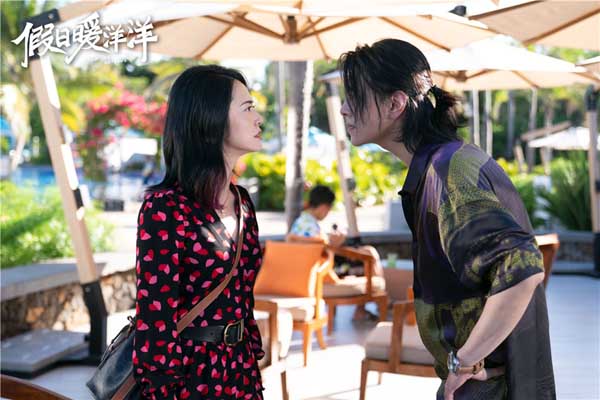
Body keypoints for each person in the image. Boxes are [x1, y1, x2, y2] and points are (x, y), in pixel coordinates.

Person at [338, 39, 555, 400]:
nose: (344, 109)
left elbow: (522, 267)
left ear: (395, 104)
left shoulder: (449, 173)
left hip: (488, 386)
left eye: (353, 96)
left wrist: (465, 363)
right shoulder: (444, 163)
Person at [133, 65, 265, 399]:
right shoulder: (165, 208)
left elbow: (242, 297)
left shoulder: (243, 203)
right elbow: (155, 316)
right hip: (190, 378)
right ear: (211, 118)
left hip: (241, 370)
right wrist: (162, 388)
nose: (259, 119)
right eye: (248, 108)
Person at [286, 184, 385, 321]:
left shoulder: (299, 224)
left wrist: (330, 244)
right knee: (369, 255)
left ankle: (364, 308)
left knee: (365, 255)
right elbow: (321, 254)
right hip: (317, 278)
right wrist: (334, 244)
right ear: (323, 207)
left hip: (302, 276)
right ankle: (376, 304)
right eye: (329, 209)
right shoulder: (313, 228)